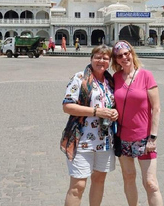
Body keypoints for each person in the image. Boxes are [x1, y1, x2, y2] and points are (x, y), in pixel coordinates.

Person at [60, 45, 118, 206]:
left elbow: (113, 105)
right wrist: (96, 112)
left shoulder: (110, 81)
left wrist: (114, 113)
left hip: (105, 142)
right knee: (78, 185)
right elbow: (67, 106)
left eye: (105, 58)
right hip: (82, 140)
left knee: (99, 180)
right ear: (91, 59)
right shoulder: (80, 78)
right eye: (98, 57)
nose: (101, 61)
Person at [111, 40, 163, 206]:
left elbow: (156, 108)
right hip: (123, 137)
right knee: (128, 177)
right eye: (120, 56)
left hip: (144, 138)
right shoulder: (116, 78)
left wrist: (153, 138)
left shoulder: (146, 75)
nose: (124, 57)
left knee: (150, 183)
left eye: (127, 53)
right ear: (116, 60)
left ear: (132, 53)